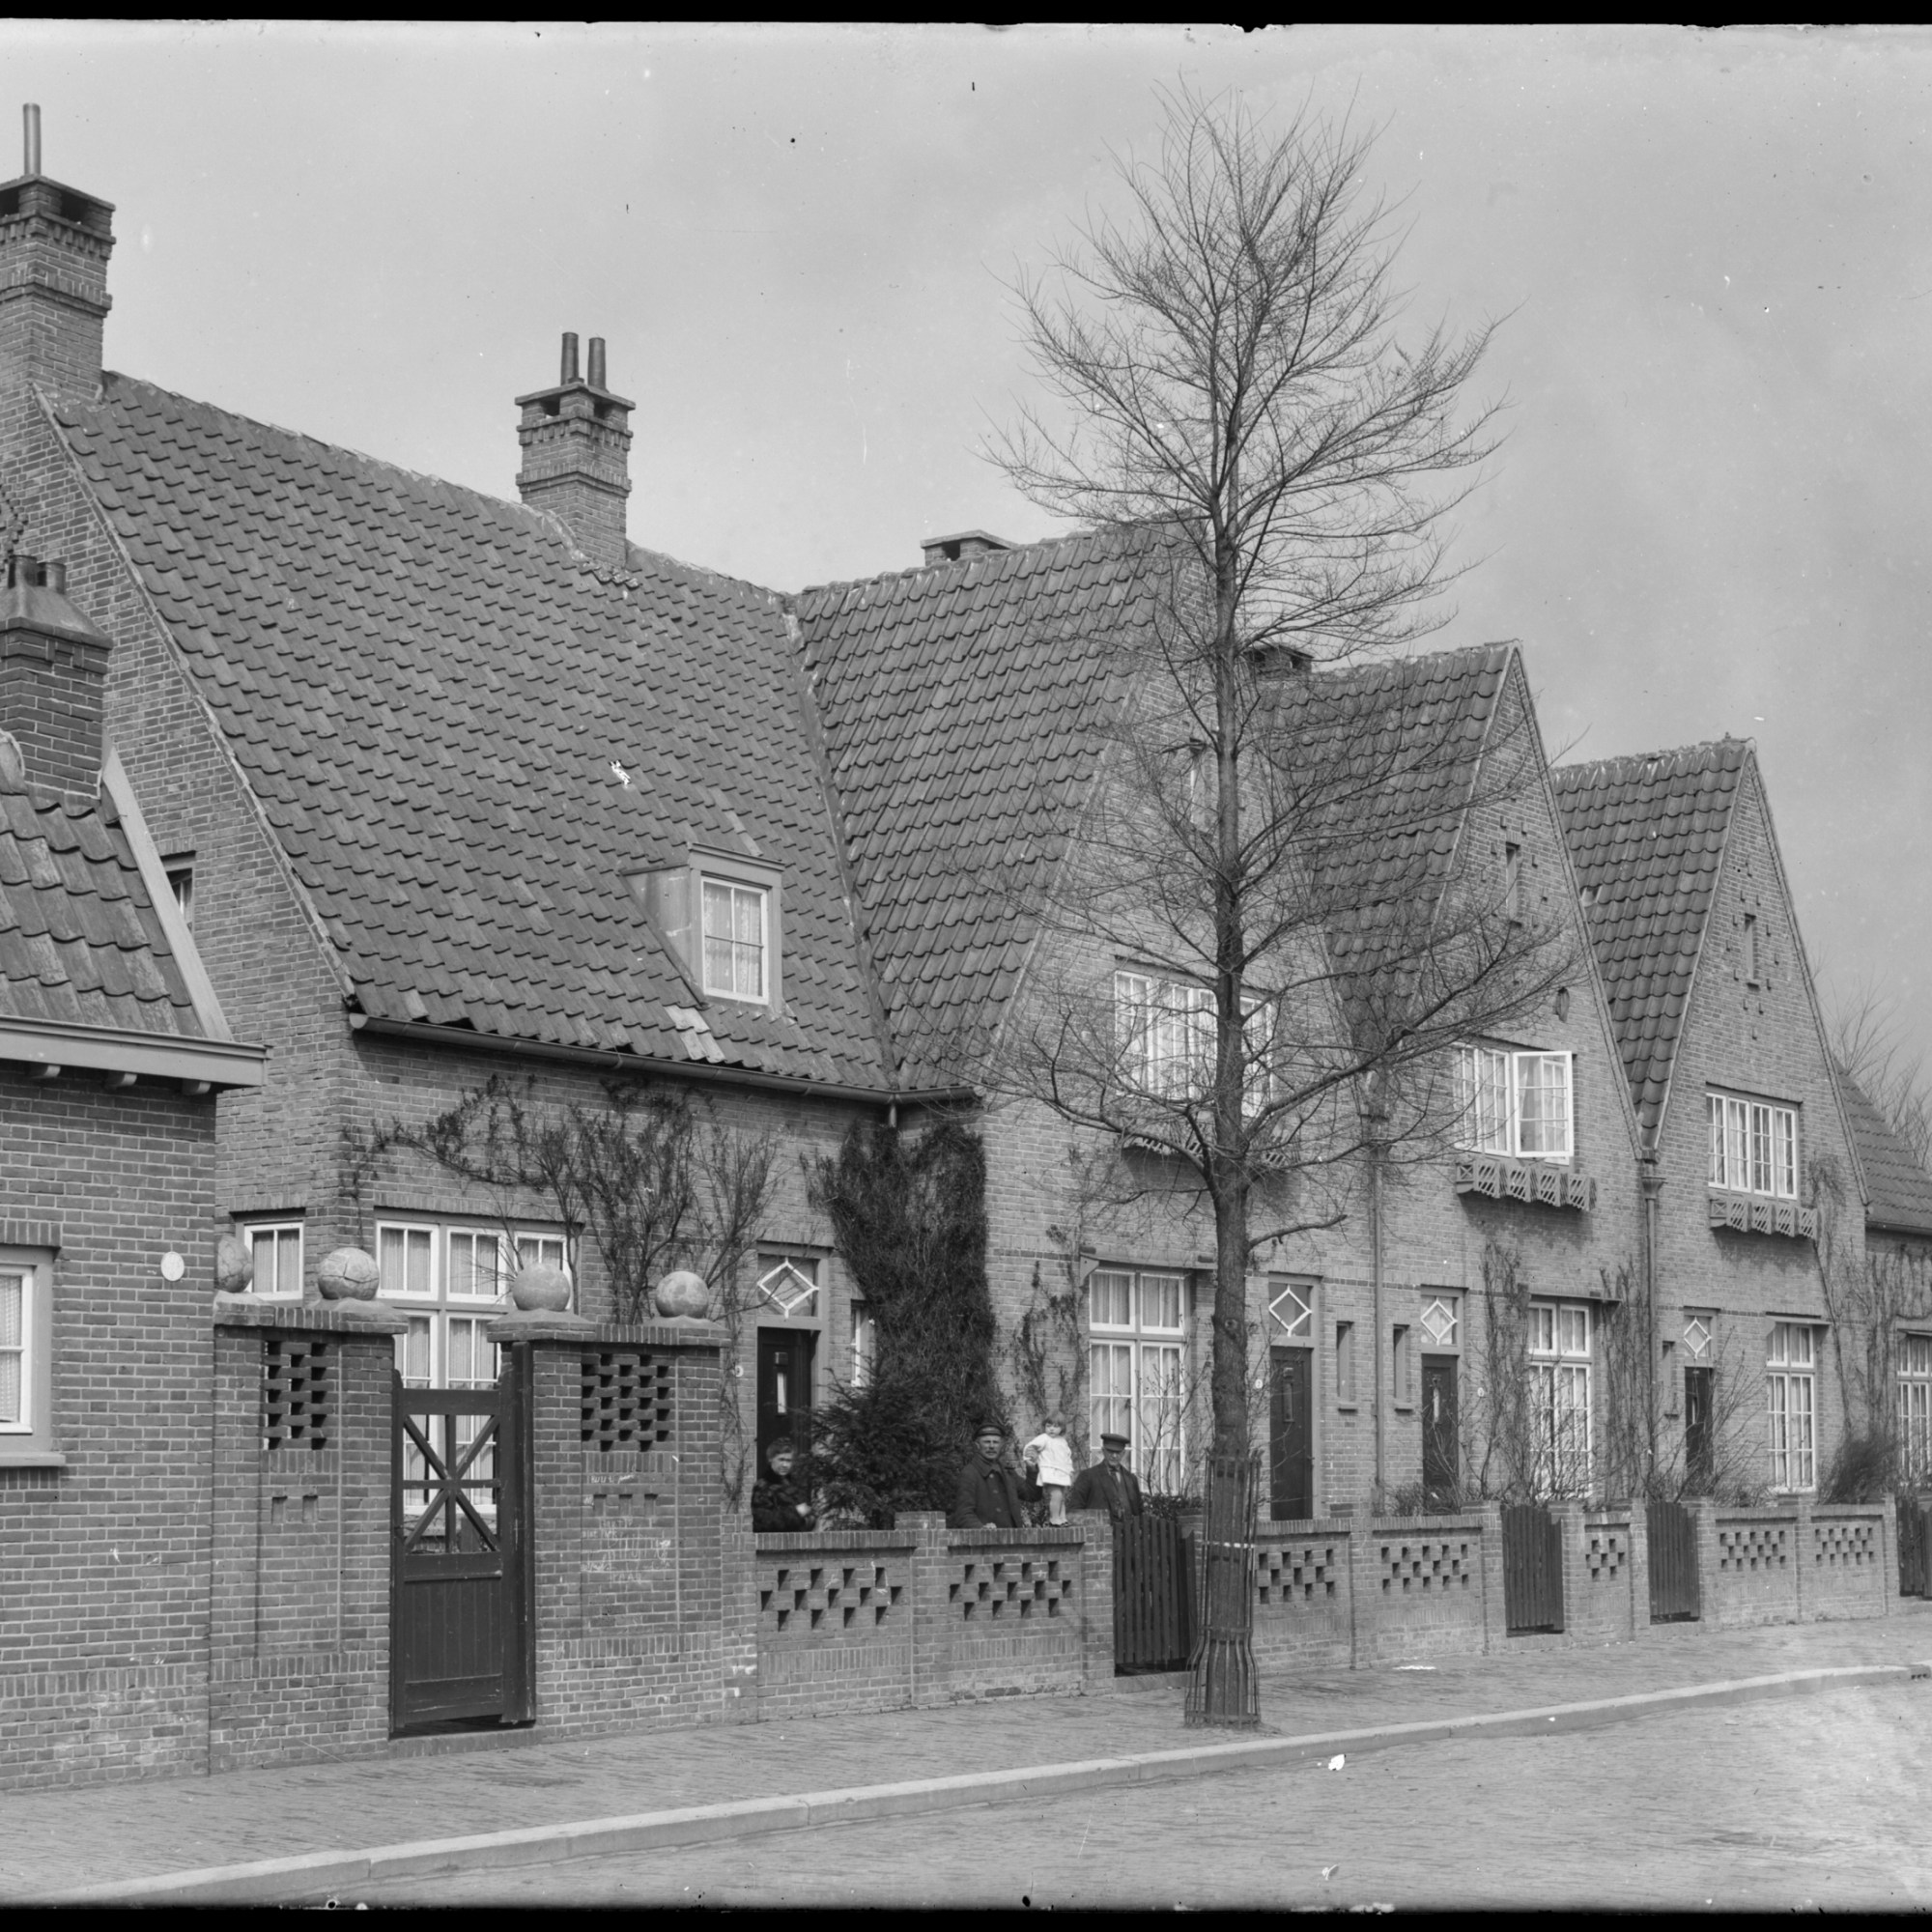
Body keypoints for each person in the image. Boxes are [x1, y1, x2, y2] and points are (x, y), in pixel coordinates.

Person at [948, 1419, 1040, 1529]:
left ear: (1001, 1445)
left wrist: (1032, 1469)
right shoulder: (969, 1473)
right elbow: (964, 1514)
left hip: (1012, 1541)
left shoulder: (1007, 1472)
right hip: (985, 1543)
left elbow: (1032, 1494)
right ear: (977, 1445)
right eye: (987, 1442)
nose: (991, 1446)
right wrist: (981, 1528)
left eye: (995, 1442)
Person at [1068, 1430, 1146, 1520]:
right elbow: (1075, 1510)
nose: (1114, 1456)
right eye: (1110, 1451)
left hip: (1128, 1532)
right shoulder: (1087, 1476)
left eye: (1118, 1452)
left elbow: (1139, 1510)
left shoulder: (1131, 1479)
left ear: (1123, 1453)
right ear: (1103, 1451)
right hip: (1099, 1532)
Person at [752, 1437, 817, 1534]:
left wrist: (810, 1518)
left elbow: (807, 1517)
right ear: (771, 1459)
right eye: (781, 1460)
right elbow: (763, 1523)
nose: (785, 1465)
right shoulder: (763, 1487)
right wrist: (797, 1512)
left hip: (798, 1543)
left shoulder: (795, 1485)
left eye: (789, 1461)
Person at [1022, 1413, 1074, 1524]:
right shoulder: (1043, 1438)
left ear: (1062, 1428)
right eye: (1048, 1426)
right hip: (1049, 1472)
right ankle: (1054, 1518)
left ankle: (1062, 1518)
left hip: (1062, 1472)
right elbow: (1030, 1447)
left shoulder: (1063, 1441)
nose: (1051, 1429)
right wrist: (1027, 1459)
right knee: (1056, 1494)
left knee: (1062, 1496)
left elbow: (1067, 1457)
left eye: (1055, 1426)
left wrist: (1070, 1470)